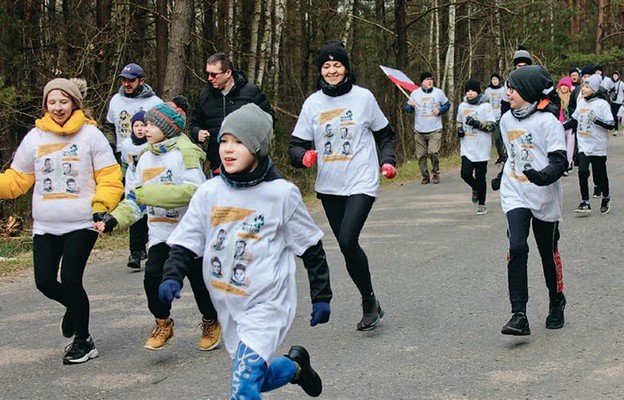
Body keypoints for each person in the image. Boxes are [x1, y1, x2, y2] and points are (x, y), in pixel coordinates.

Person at [159, 103, 332, 398]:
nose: (228, 148)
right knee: (255, 377)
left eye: (239, 142)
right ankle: (295, 367)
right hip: (228, 304)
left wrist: (322, 296)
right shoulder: (209, 192)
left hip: (268, 304)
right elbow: (187, 240)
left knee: (243, 387)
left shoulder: (280, 194)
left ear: (257, 147)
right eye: (224, 140)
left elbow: (310, 247)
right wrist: (171, 276)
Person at [0, 77, 124, 363]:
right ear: (45, 104)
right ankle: (74, 307)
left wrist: (102, 207)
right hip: (45, 224)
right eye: (52, 102)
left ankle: (84, 340)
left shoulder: (91, 136)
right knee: (44, 281)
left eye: (63, 102)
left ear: (74, 104)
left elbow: (109, 176)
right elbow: (18, 180)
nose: (58, 107)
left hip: (82, 222)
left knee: (70, 278)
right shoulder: (35, 138)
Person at [94, 96, 222, 352]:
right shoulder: (143, 158)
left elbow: (193, 190)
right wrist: (113, 220)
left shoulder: (185, 154)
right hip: (160, 233)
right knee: (152, 276)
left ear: (167, 128)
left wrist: (149, 195)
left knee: (199, 283)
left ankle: (211, 321)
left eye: (152, 125)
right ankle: (163, 322)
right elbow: (134, 200)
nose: (145, 129)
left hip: (189, 232)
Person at [288, 40, 397, 331]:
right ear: (320, 71)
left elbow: (385, 135)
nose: (332, 70)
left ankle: (367, 302)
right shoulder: (313, 103)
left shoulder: (363, 98)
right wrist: (304, 156)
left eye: (337, 65)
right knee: (347, 247)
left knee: (348, 239)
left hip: (361, 179)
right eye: (326, 66)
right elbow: (295, 146)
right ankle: (371, 300)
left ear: (346, 68)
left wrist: (387, 161)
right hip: (329, 185)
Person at [498, 65, 568, 336]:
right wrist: (502, 174)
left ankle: (556, 299)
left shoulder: (548, 122)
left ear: (527, 90)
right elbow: (513, 155)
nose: (508, 92)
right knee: (517, 246)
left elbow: (560, 162)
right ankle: (519, 314)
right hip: (515, 191)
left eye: (512, 88)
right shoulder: (506, 120)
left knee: (546, 253)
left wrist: (541, 177)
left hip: (544, 195)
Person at [189, 52, 275, 176]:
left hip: (249, 163)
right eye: (207, 74)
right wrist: (197, 133)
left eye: (214, 74)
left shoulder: (250, 92)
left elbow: (269, 118)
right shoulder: (205, 96)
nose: (209, 78)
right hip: (218, 164)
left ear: (228, 73)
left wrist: (255, 142)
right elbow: (195, 123)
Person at [570, 74, 616, 214]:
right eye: (583, 86)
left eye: (587, 87)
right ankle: (585, 201)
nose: (583, 89)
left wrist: (596, 120)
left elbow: (611, 125)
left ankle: (606, 197)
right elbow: (574, 121)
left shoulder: (602, 105)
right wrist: (558, 127)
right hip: (584, 144)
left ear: (594, 89)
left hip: (598, 146)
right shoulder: (581, 103)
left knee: (599, 175)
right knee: (582, 171)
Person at [104, 63, 163, 162]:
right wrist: (110, 146)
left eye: (131, 80)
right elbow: (109, 127)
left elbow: (162, 131)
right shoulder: (115, 100)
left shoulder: (155, 103)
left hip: (148, 154)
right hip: (121, 155)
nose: (126, 84)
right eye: (124, 80)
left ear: (141, 81)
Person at [456, 79, 496, 215]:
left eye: (473, 90)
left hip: (482, 147)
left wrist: (477, 123)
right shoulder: (462, 106)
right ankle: (475, 188)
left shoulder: (485, 107)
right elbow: (459, 121)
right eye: (468, 91)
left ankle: (482, 203)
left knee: (480, 177)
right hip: (467, 146)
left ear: (478, 92)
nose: (470, 93)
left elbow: (492, 126)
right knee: (465, 174)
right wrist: (459, 129)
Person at [405, 71, 450, 184]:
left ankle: (435, 172)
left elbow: (447, 104)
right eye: (427, 79)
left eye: (431, 79)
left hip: (435, 129)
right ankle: (425, 176)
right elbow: (407, 109)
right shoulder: (415, 93)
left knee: (433, 152)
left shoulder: (438, 93)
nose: (430, 81)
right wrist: (411, 106)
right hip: (419, 130)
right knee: (421, 155)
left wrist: (440, 110)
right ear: (422, 82)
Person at [120, 110, 149, 269]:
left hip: (148, 187)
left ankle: (149, 247)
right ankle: (135, 253)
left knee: (147, 221)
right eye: (136, 125)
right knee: (135, 221)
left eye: (143, 125)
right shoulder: (126, 145)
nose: (139, 129)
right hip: (132, 187)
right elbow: (125, 164)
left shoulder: (151, 144)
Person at [499, 46, 533, 116]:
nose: (522, 69)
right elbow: (505, 103)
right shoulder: (509, 82)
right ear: (515, 66)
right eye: (519, 66)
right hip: (515, 115)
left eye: (525, 66)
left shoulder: (535, 80)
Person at [483, 73, 507, 164]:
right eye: (493, 79)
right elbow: (484, 103)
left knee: (503, 136)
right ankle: (501, 154)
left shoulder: (503, 90)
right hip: (492, 117)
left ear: (499, 80)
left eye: (496, 79)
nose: (495, 81)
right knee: (497, 138)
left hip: (502, 116)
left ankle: (506, 155)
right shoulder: (487, 91)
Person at [556, 76, 575, 173]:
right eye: (562, 85)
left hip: (570, 126)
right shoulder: (556, 98)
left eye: (566, 86)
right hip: (559, 125)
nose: (564, 87)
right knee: (560, 145)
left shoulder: (571, 98)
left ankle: (568, 163)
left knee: (570, 146)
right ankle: (562, 164)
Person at [601, 70, 623, 136]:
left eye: (616, 75)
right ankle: (615, 129)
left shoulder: (621, 83)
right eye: (614, 75)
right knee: (613, 115)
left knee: (619, 116)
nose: (615, 77)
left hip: (620, 102)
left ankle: (618, 129)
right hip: (613, 101)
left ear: (619, 76)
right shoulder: (610, 83)